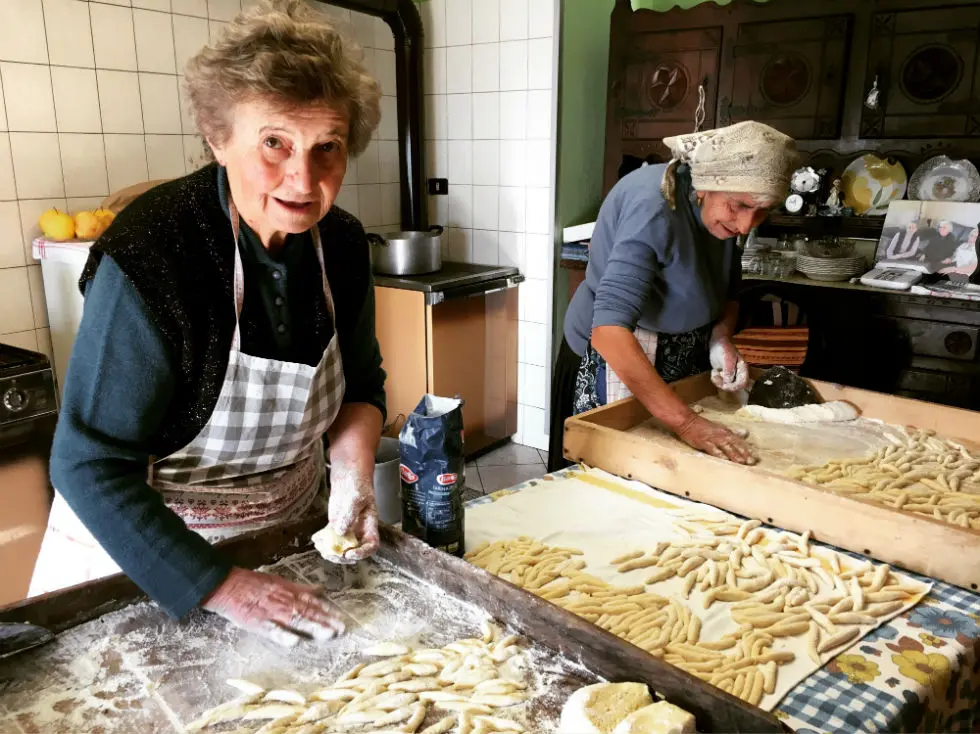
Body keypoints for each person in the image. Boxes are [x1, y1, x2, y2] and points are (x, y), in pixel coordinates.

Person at [29, 0, 386, 647]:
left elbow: (362, 385)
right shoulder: (156, 255)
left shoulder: (343, 244)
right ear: (218, 136)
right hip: (149, 557)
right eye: (273, 142)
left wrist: (354, 472)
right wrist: (222, 586)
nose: (302, 178)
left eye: (326, 147)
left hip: (283, 540)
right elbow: (87, 463)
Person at [548, 121, 798, 473]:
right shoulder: (654, 207)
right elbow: (610, 331)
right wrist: (686, 423)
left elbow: (729, 288)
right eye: (739, 206)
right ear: (705, 187)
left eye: (762, 210)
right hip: (616, 352)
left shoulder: (727, 214)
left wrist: (721, 336)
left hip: (680, 350)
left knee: (675, 472)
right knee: (617, 473)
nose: (746, 226)